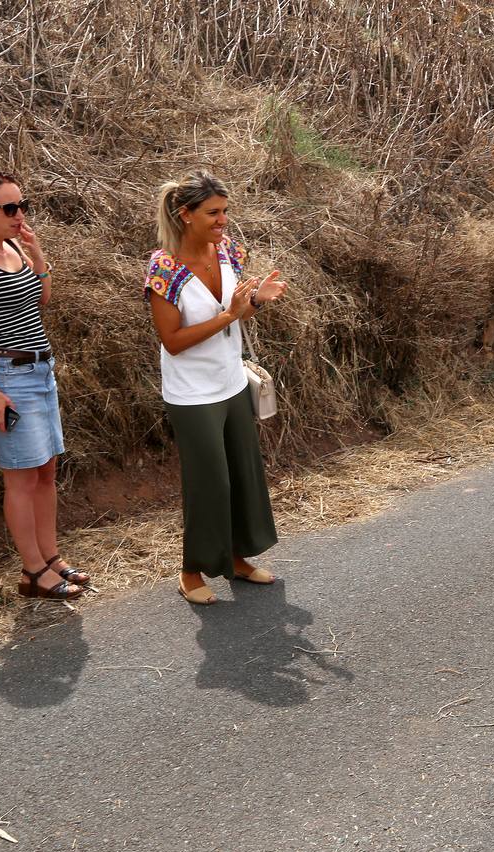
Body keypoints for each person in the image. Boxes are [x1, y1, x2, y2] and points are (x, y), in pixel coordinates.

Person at [145, 171, 287, 605]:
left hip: (229, 381)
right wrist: (229, 316)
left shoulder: (228, 250)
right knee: (210, 482)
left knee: (242, 476)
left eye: (225, 211)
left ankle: (237, 559)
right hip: (191, 394)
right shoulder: (163, 268)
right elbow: (172, 340)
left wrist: (255, 302)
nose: (223, 220)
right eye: (213, 212)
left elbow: (237, 313)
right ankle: (192, 571)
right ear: (185, 215)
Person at [0, 170, 88, 601]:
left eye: (22, 206)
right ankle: (32, 572)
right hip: (8, 376)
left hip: (41, 371)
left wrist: (37, 255)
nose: (19, 214)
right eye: (9, 208)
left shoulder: (13, 248)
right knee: (21, 478)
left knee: (46, 470)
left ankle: (50, 558)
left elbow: (40, 301)